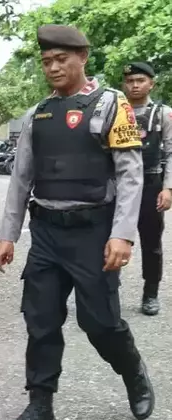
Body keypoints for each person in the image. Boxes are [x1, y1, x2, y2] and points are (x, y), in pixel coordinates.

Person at [0, 24, 155, 420]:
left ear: (82, 56)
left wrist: (122, 234)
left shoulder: (111, 105)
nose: (53, 67)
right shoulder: (38, 115)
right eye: (47, 61)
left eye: (61, 59)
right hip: (46, 231)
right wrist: (8, 234)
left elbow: (130, 173)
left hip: (93, 233)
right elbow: (21, 177)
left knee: (100, 322)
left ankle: (132, 370)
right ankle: (40, 405)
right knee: (40, 320)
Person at [121, 62, 172, 315]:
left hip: (151, 185)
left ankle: (150, 293)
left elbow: (171, 151)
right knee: (110, 237)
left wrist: (168, 188)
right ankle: (107, 288)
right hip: (118, 186)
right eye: (130, 81)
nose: (135, 85)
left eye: (140, 80)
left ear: (151, 83)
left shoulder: (163, 113)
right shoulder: (116, 111)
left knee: (151, 243)